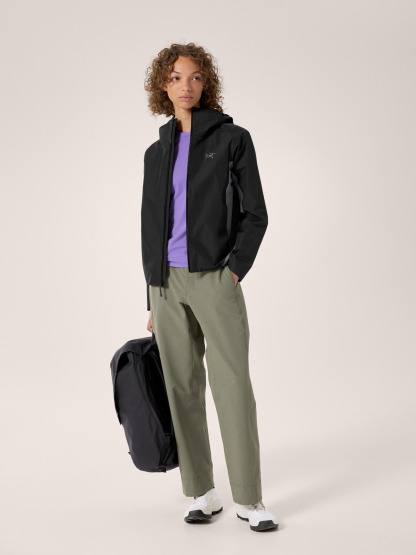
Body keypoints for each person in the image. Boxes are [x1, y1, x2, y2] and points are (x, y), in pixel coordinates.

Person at [141, 42, 278, 532]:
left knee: (232, 385)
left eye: (196, 77)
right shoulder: (156, 152)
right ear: (163, 85)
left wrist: (233, 270)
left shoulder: (233, 139)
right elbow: (150, 228)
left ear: (207, 83)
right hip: (166, 285)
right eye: (176, 78)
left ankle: (250, 499)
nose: (187, 86)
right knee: (180, 388)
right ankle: (201, 492)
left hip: (215, 279)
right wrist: (151, 294)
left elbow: (255, 213)